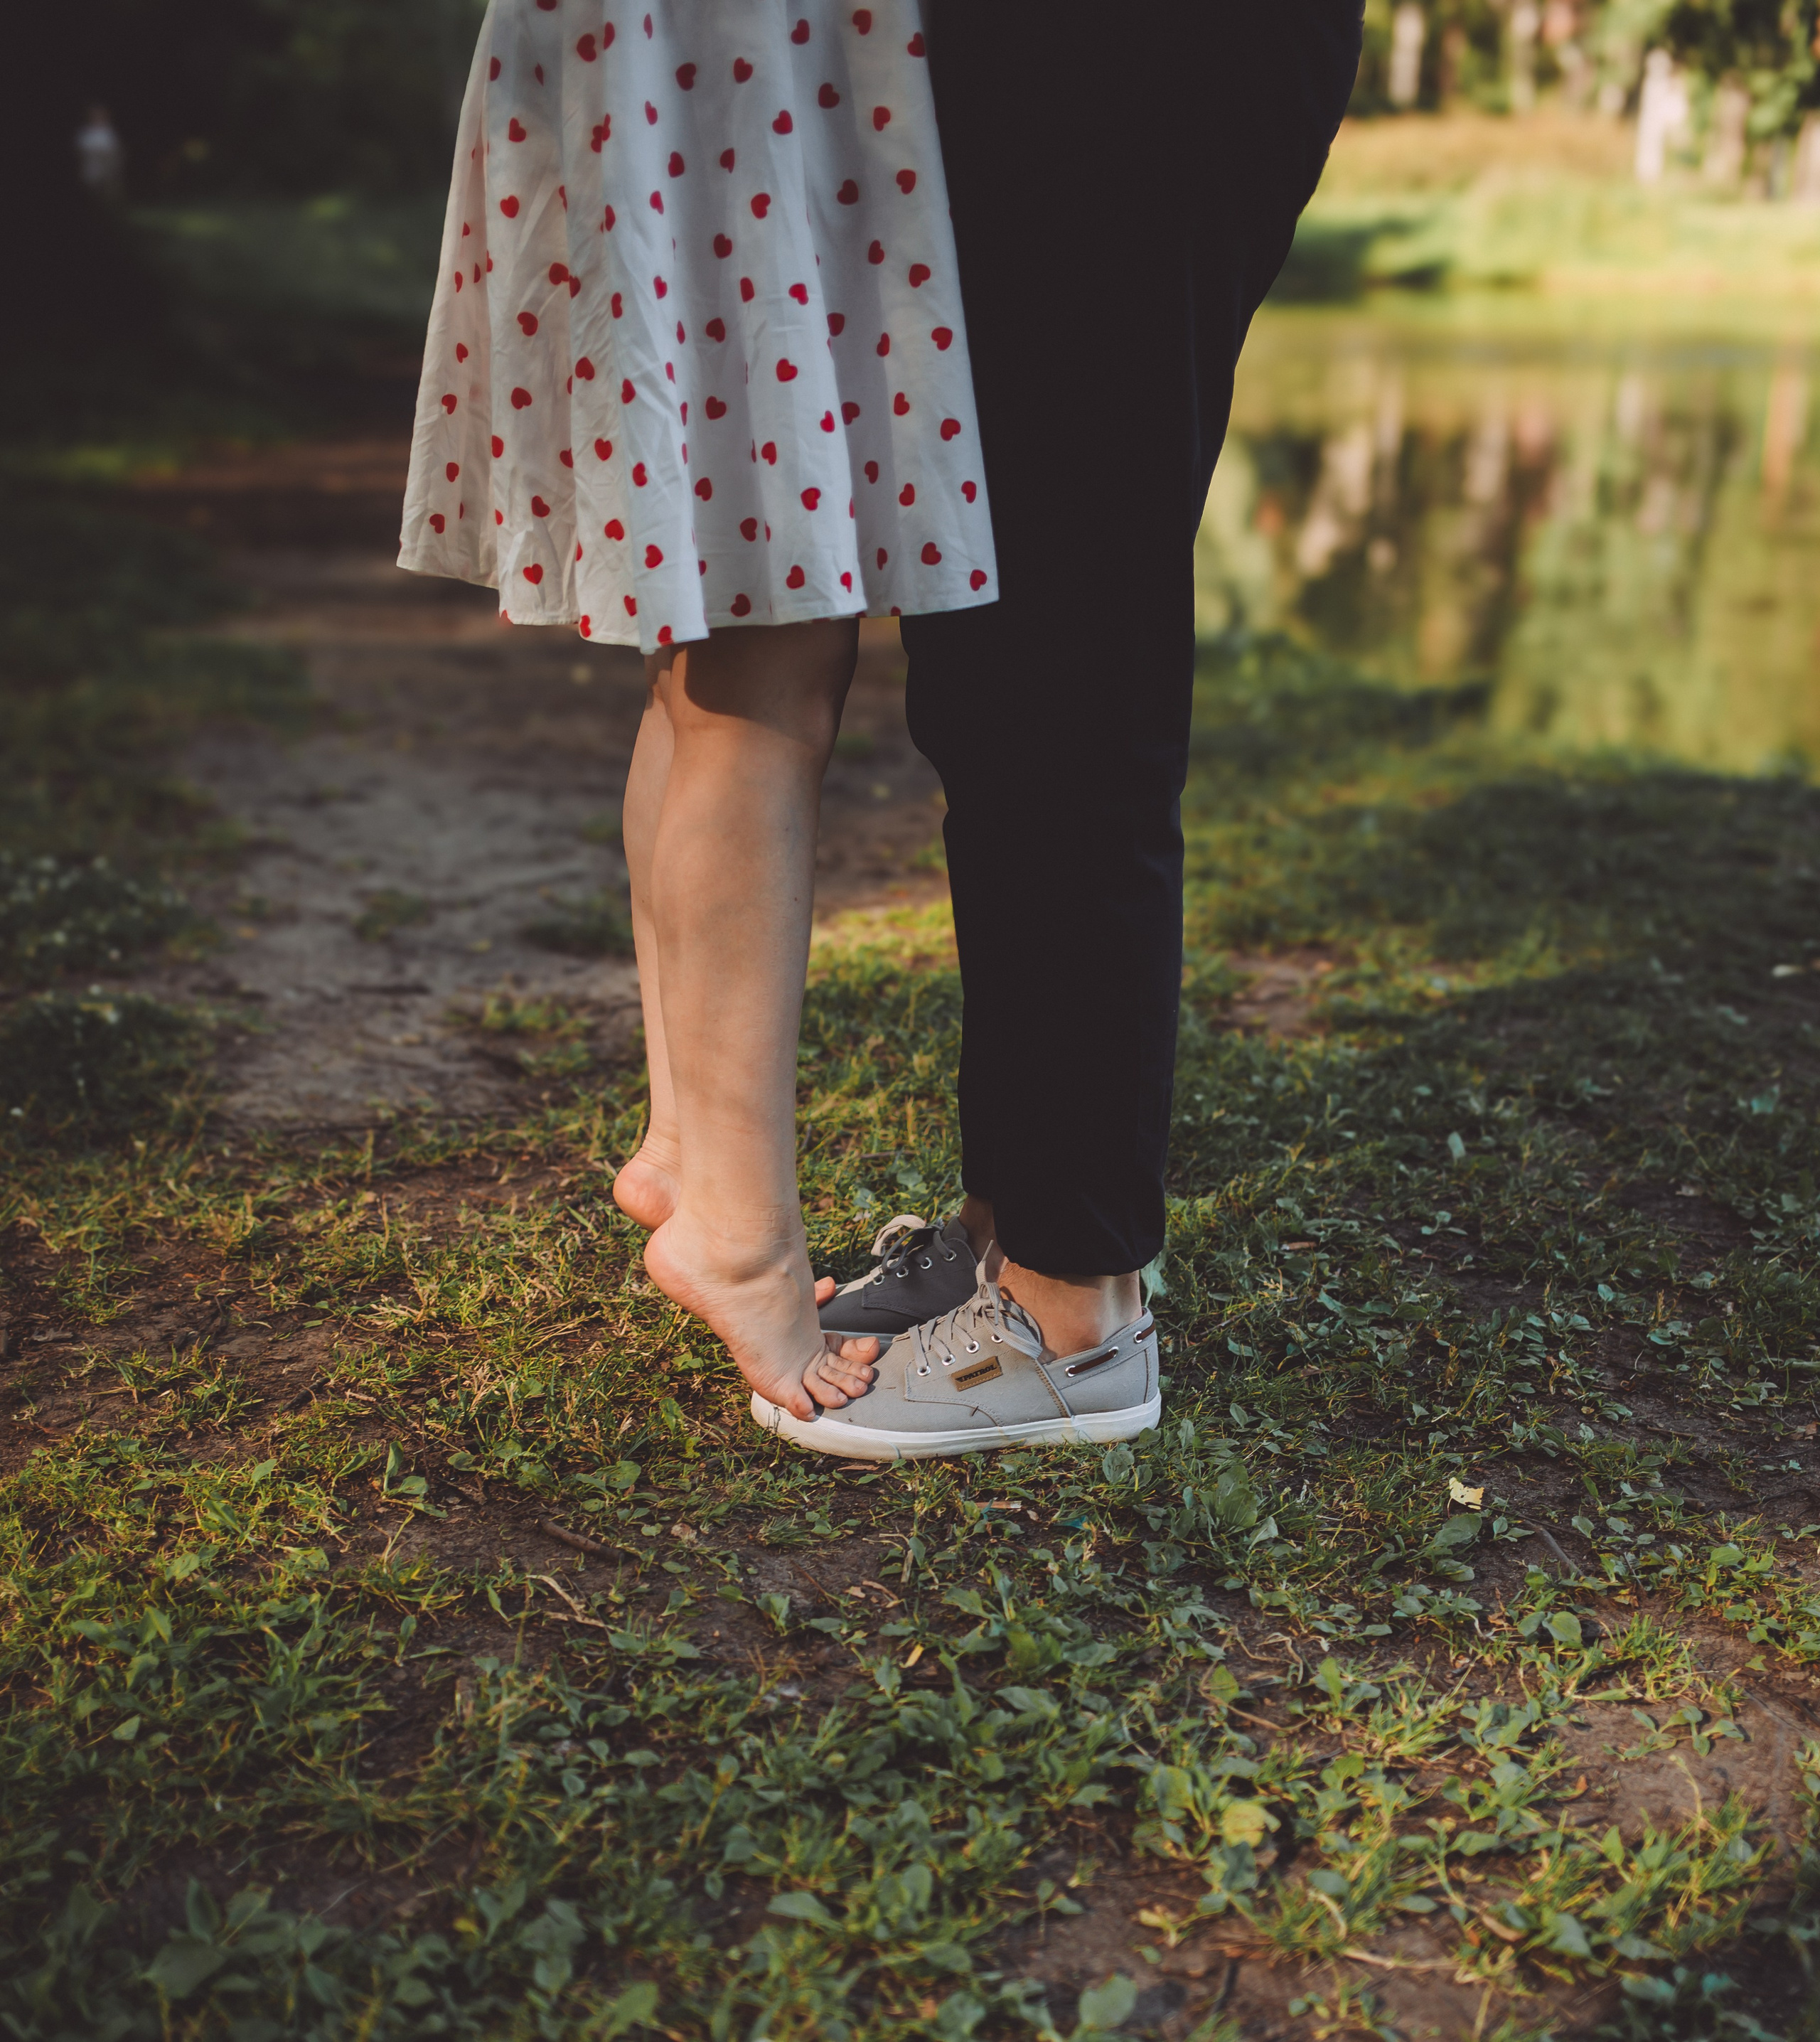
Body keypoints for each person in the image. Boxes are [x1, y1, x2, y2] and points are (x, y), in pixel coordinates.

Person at [400, 1, 997, 1425]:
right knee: (769, 656)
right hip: (745, 63)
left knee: (720, 647)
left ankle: (685, 1145)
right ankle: (739, 1237)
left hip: (675, 63)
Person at [783, 1, 1366, 1458]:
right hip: (1051, 51)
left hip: (1137, 44)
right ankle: (1010, 1231)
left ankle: (1073, 1309)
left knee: (1066, 629)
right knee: (988, 654)